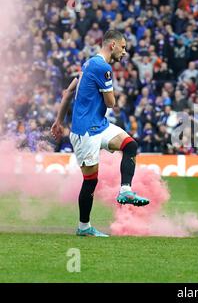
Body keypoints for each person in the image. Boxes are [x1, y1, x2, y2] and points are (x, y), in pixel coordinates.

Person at [51, 30, 150, 238]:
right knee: (91, 181)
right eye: (123, 47)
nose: (124, 53)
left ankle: (125, 191)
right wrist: (114, 96)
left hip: (100, 125)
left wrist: (59, 120)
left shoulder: (88, 64)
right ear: (112, 45)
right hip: (85, 132)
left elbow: (69, 91)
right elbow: (111, 103)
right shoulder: (103, 67)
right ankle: (84, 227)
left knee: (130, 145)